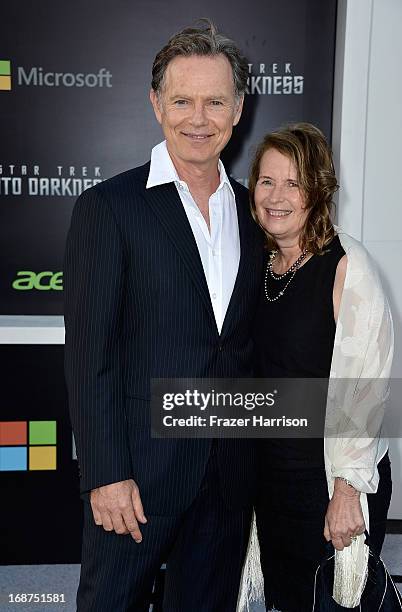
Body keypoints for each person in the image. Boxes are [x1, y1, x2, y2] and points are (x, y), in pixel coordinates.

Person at [63, 20, 264, 612]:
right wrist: (105, 473)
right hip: (137, 475)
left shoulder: (254, 214)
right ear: (156, 104)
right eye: (182, 100)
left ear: (237, 108)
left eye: (214, 101)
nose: (198, 118)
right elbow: (89, 354)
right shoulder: (110, 208)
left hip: (228, 475)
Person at [247, 123, 393, 611]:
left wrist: (347, 490)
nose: (276, 196)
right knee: (288, 598)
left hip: (327, 480)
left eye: (294, 183)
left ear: (320, 190)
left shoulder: (348, 267)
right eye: (267, 181)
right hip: (270, 478)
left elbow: (366, 388)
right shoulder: (258, 263)